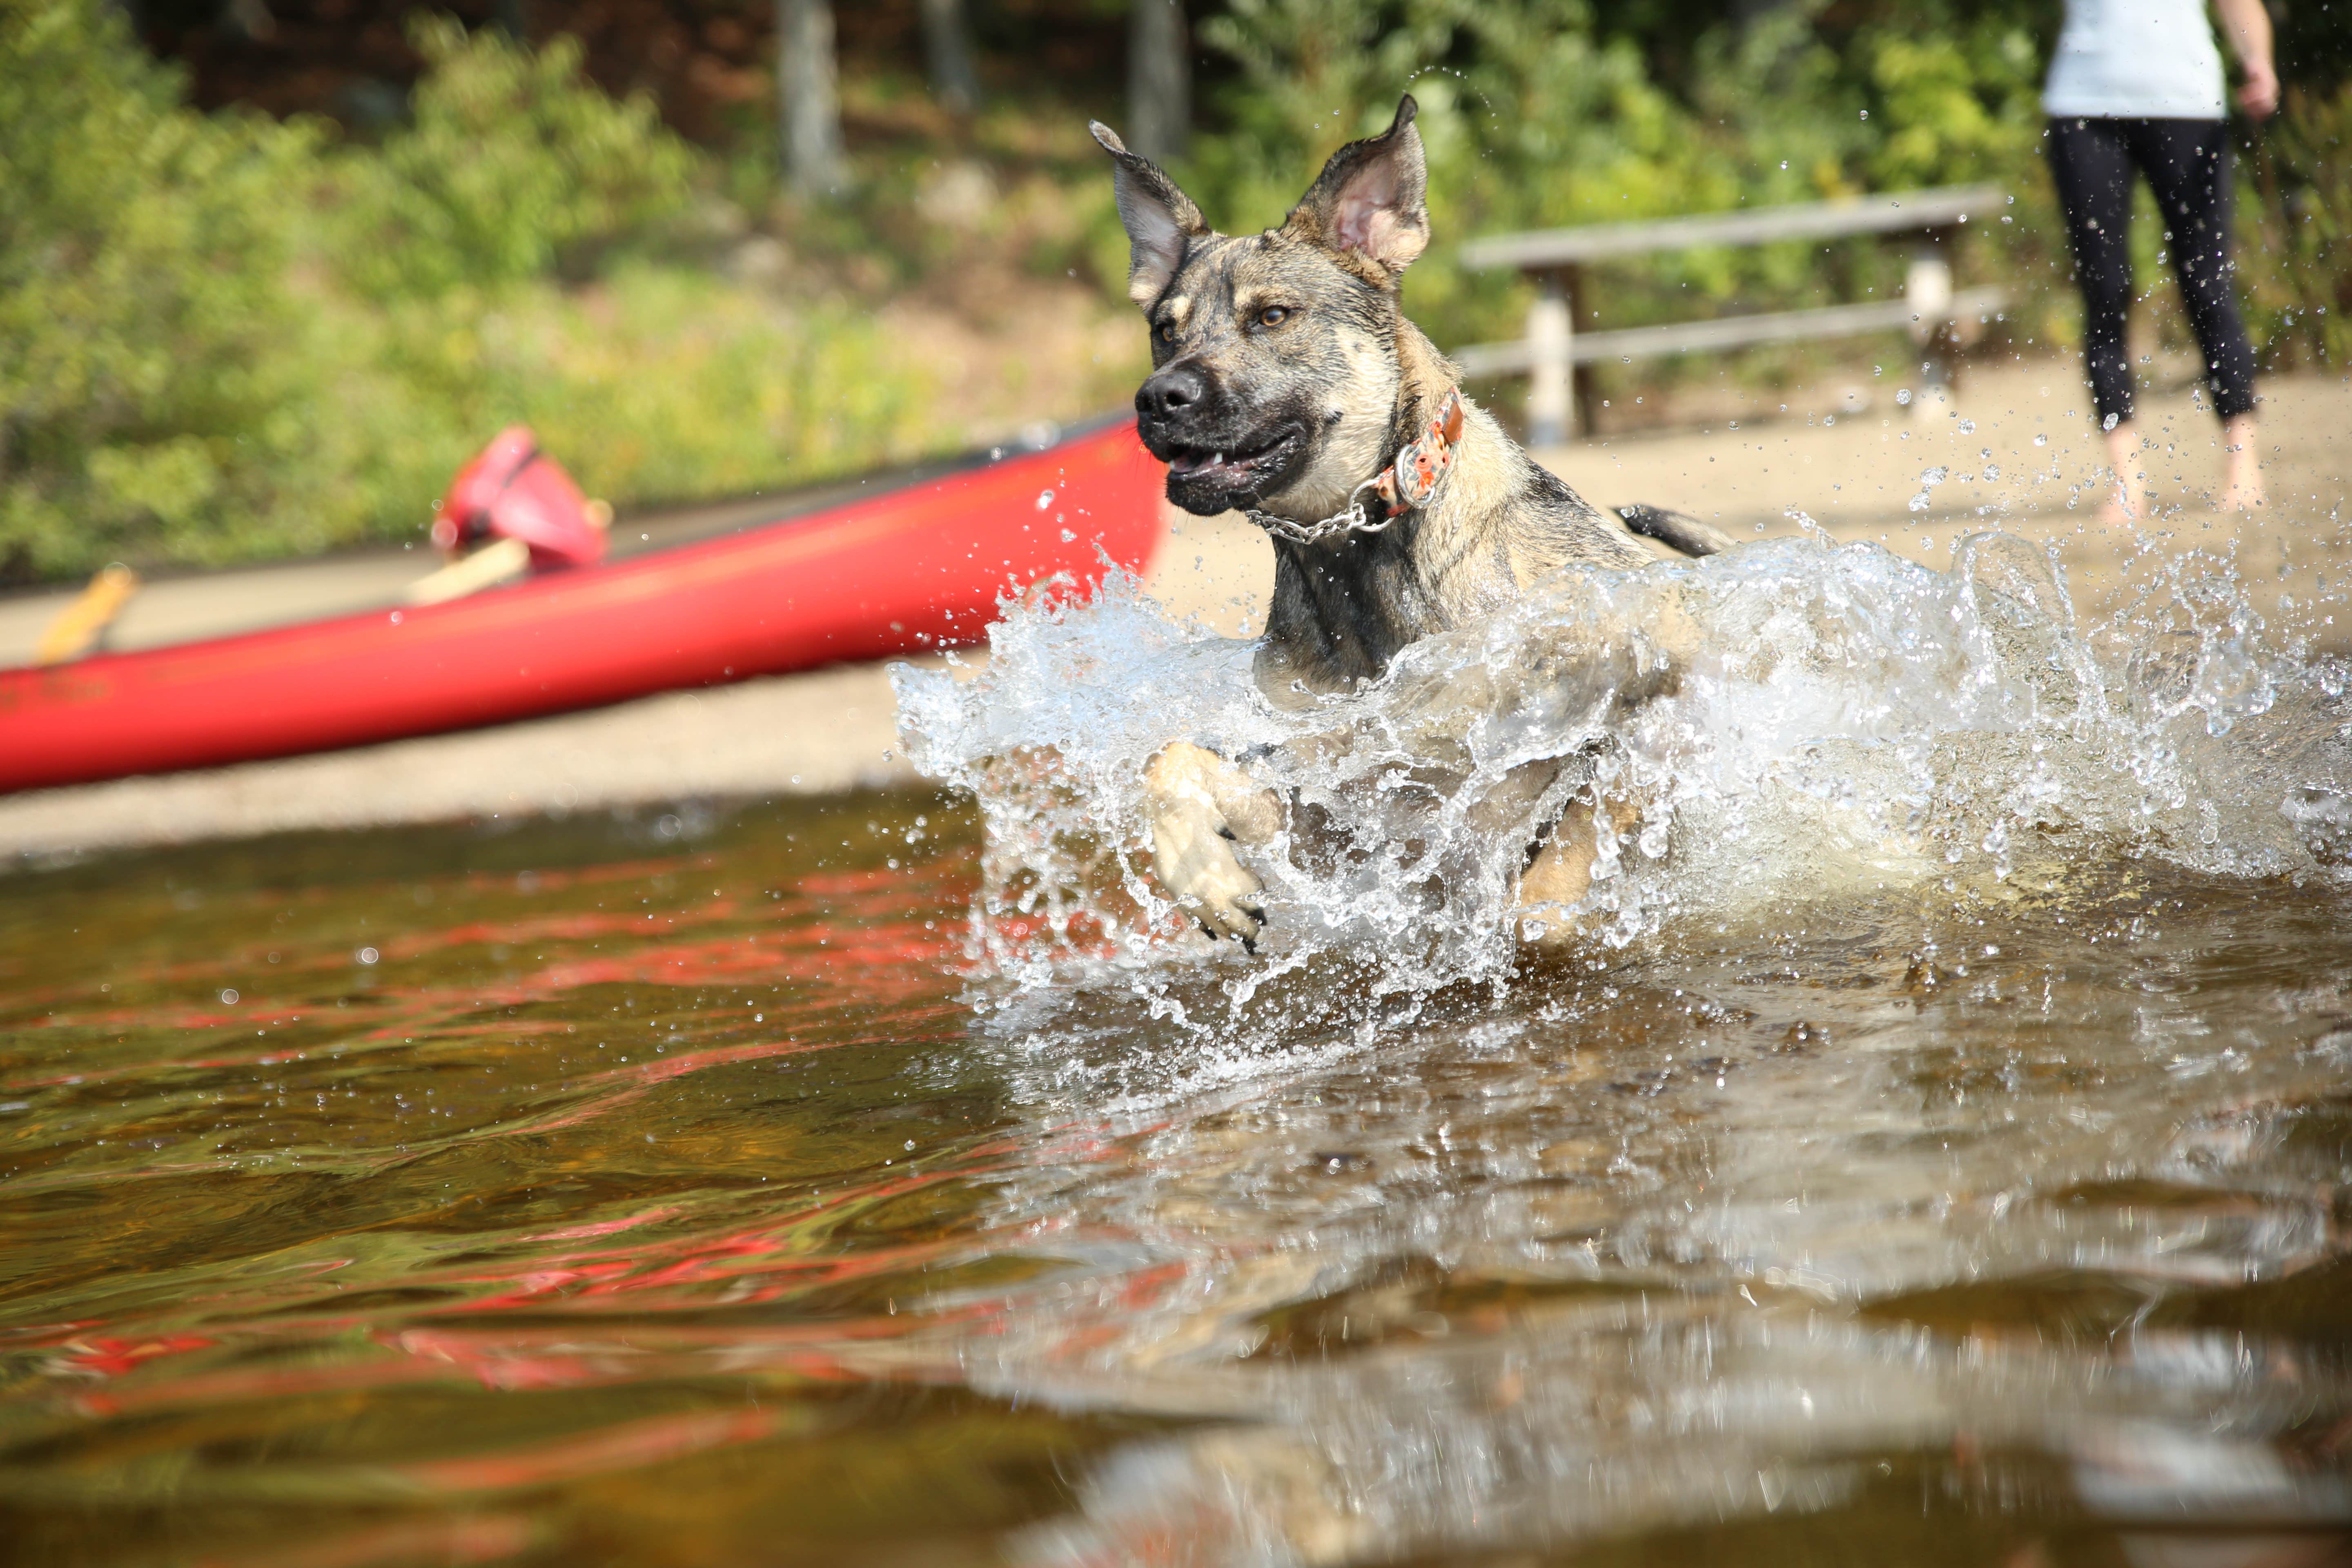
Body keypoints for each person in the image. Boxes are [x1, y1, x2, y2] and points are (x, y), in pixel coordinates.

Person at [2043, 0, 2278, 523]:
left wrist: (2257, 60)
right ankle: (2127, 482)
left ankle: (2244, 469)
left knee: (2207, 284)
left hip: (2188, 101)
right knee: (2104, 289)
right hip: (2083, 105)